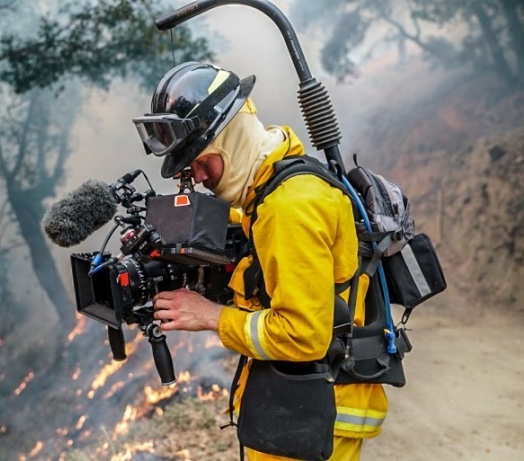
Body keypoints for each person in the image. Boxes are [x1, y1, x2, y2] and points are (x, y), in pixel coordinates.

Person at [133, 61, 388, 461]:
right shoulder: (269, 194)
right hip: (299, 407)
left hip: (315, 414)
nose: (197, 176)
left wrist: (211, 316)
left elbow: (304, 335)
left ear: (231, 139)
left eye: (203, 161)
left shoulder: (289, 207)